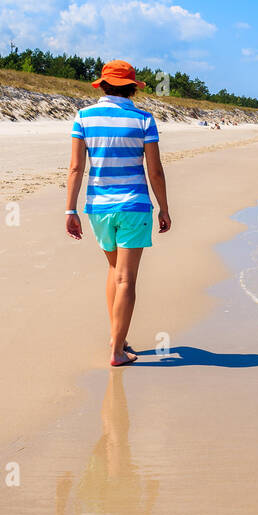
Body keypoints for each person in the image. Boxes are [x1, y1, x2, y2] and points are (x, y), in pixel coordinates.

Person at [65, 60, 171, 366]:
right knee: (126, 279)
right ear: (132, 88)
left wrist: (70, 209)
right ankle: (116, 351)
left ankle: (118, 338)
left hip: (98, 208)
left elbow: (75, 167)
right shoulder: (143, 119)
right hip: (134, 206)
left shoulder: (83, 117)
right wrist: (164, 207)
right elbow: (155, 171)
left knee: (114, 271)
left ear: (104, 85)